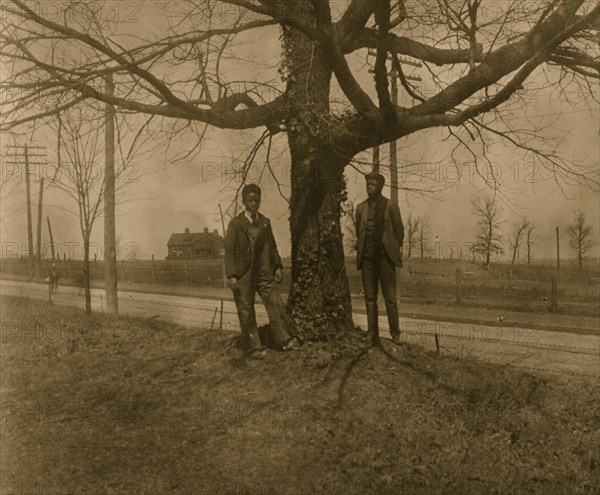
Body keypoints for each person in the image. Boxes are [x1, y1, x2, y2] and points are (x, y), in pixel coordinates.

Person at [225, 183, 298, 360]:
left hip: (265, 273)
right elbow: (230, 251)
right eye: (250, 200)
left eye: (257, 200)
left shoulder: (265, 223)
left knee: (276, 304)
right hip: (244, 275)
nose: (254, 203)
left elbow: (272, 246)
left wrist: (277, 266)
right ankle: (253, 349)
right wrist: (232, 275)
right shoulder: (236, 224)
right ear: (244, 201)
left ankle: (285, 340)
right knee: (246, 311)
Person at [355, 172, 404, 345]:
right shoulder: (361, 208)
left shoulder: (390, 206)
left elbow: (399, 231)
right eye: (368, 184)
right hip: (367, 260)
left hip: (385, 260)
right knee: (370, 298)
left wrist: (391, 249)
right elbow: (358, 232)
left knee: (390, 297)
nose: (369, 187)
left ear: (380, 186)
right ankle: (372, 332)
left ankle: (395, 333)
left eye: (373, 184)